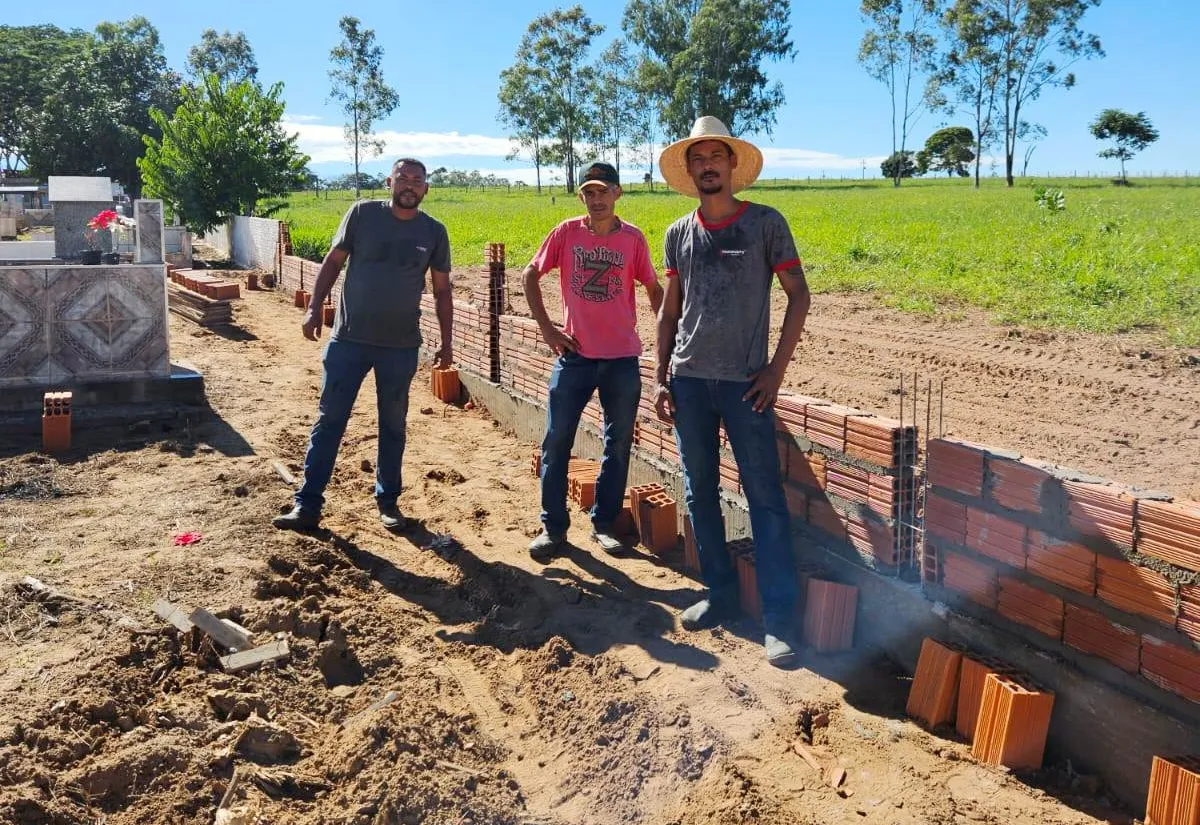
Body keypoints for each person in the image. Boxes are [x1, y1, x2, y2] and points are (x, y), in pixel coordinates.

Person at [654, 117, 811, 666]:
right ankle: (720, 595)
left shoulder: (765, 224)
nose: (706, 166)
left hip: (746, 387)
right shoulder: (678, 233)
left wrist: (775, 371)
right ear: (690, 170)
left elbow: (799, 296)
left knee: (764, 499)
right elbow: (669, 310)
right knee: (699, 491)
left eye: (715, 156)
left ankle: (779, 619)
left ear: (732, 165)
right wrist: (660, 376)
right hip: (690, 383)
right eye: (697, 159)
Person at [274, 157, 453, 533]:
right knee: (330, 421)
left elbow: (441, 290)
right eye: (402, 178)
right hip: (349, 341)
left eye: (416, 180)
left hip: (400, 347)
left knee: (393, 425)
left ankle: (388, 502)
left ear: (426, 189)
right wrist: (313, 309)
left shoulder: (434, 231)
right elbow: (333, 261)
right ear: (389, 181)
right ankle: (307, 504)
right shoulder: (362, 214)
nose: (409, 185)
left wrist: (447, 342)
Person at [524, 161, 663, 560]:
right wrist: (548, 329)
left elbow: (653, 288)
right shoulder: (567, 233)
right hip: (576, 359)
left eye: (604, 191)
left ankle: (604, 524)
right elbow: (530, 275)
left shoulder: (633, 239)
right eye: (589, 192)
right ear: (581, 196)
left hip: (622, 359)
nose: (597, 199)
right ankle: (553, 528)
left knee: (617, 444)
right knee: (556, 442)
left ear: (618, 194)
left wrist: (667, 338)